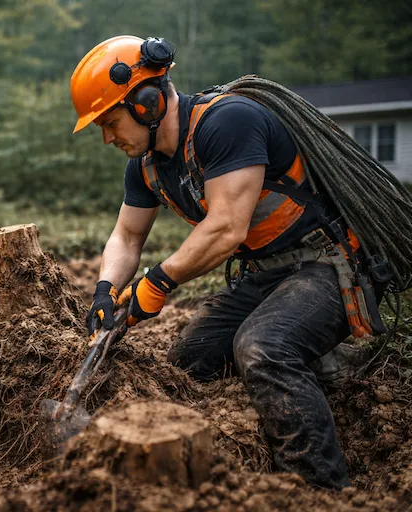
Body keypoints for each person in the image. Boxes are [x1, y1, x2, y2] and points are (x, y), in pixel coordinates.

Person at [70, 35, 374, 489]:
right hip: (266, 273)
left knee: (263, 347)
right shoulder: (146, 165)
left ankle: (321, 488)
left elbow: (227, 227)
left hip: (327, 264)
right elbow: (128, 236)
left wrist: (157, 283)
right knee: (191, 359)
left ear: (148, 103)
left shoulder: (228, 122)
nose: (107, 137)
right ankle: (313, 370)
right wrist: (105, 290)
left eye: (111, 122)